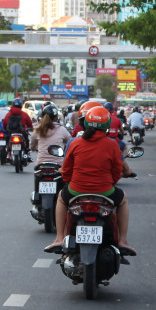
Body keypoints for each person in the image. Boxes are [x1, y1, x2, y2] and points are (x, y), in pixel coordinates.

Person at [43, 106, 135, 256]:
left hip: (75, 191)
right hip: (105, 191)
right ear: (107, 126)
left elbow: (66, 171)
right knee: (123, 199)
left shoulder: (75, 143)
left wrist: (70, 181)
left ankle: (60, 238)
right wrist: (108, 184)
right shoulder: (113, 145)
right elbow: (117, 172)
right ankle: (123, 241)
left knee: (61, 198)